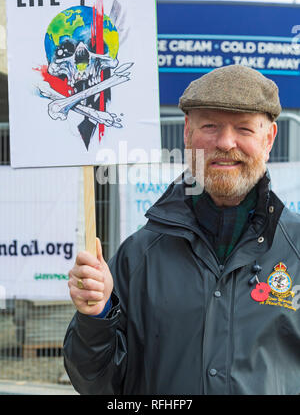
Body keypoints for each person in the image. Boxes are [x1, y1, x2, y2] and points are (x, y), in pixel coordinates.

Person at [63, 65, 300, 395]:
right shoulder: (138, 256)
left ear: (269, 137)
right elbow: (96, 383)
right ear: (187, 132)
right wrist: (97, 316)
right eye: (211, 126)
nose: (226, 142)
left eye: (244, 129)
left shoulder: (297, 250)